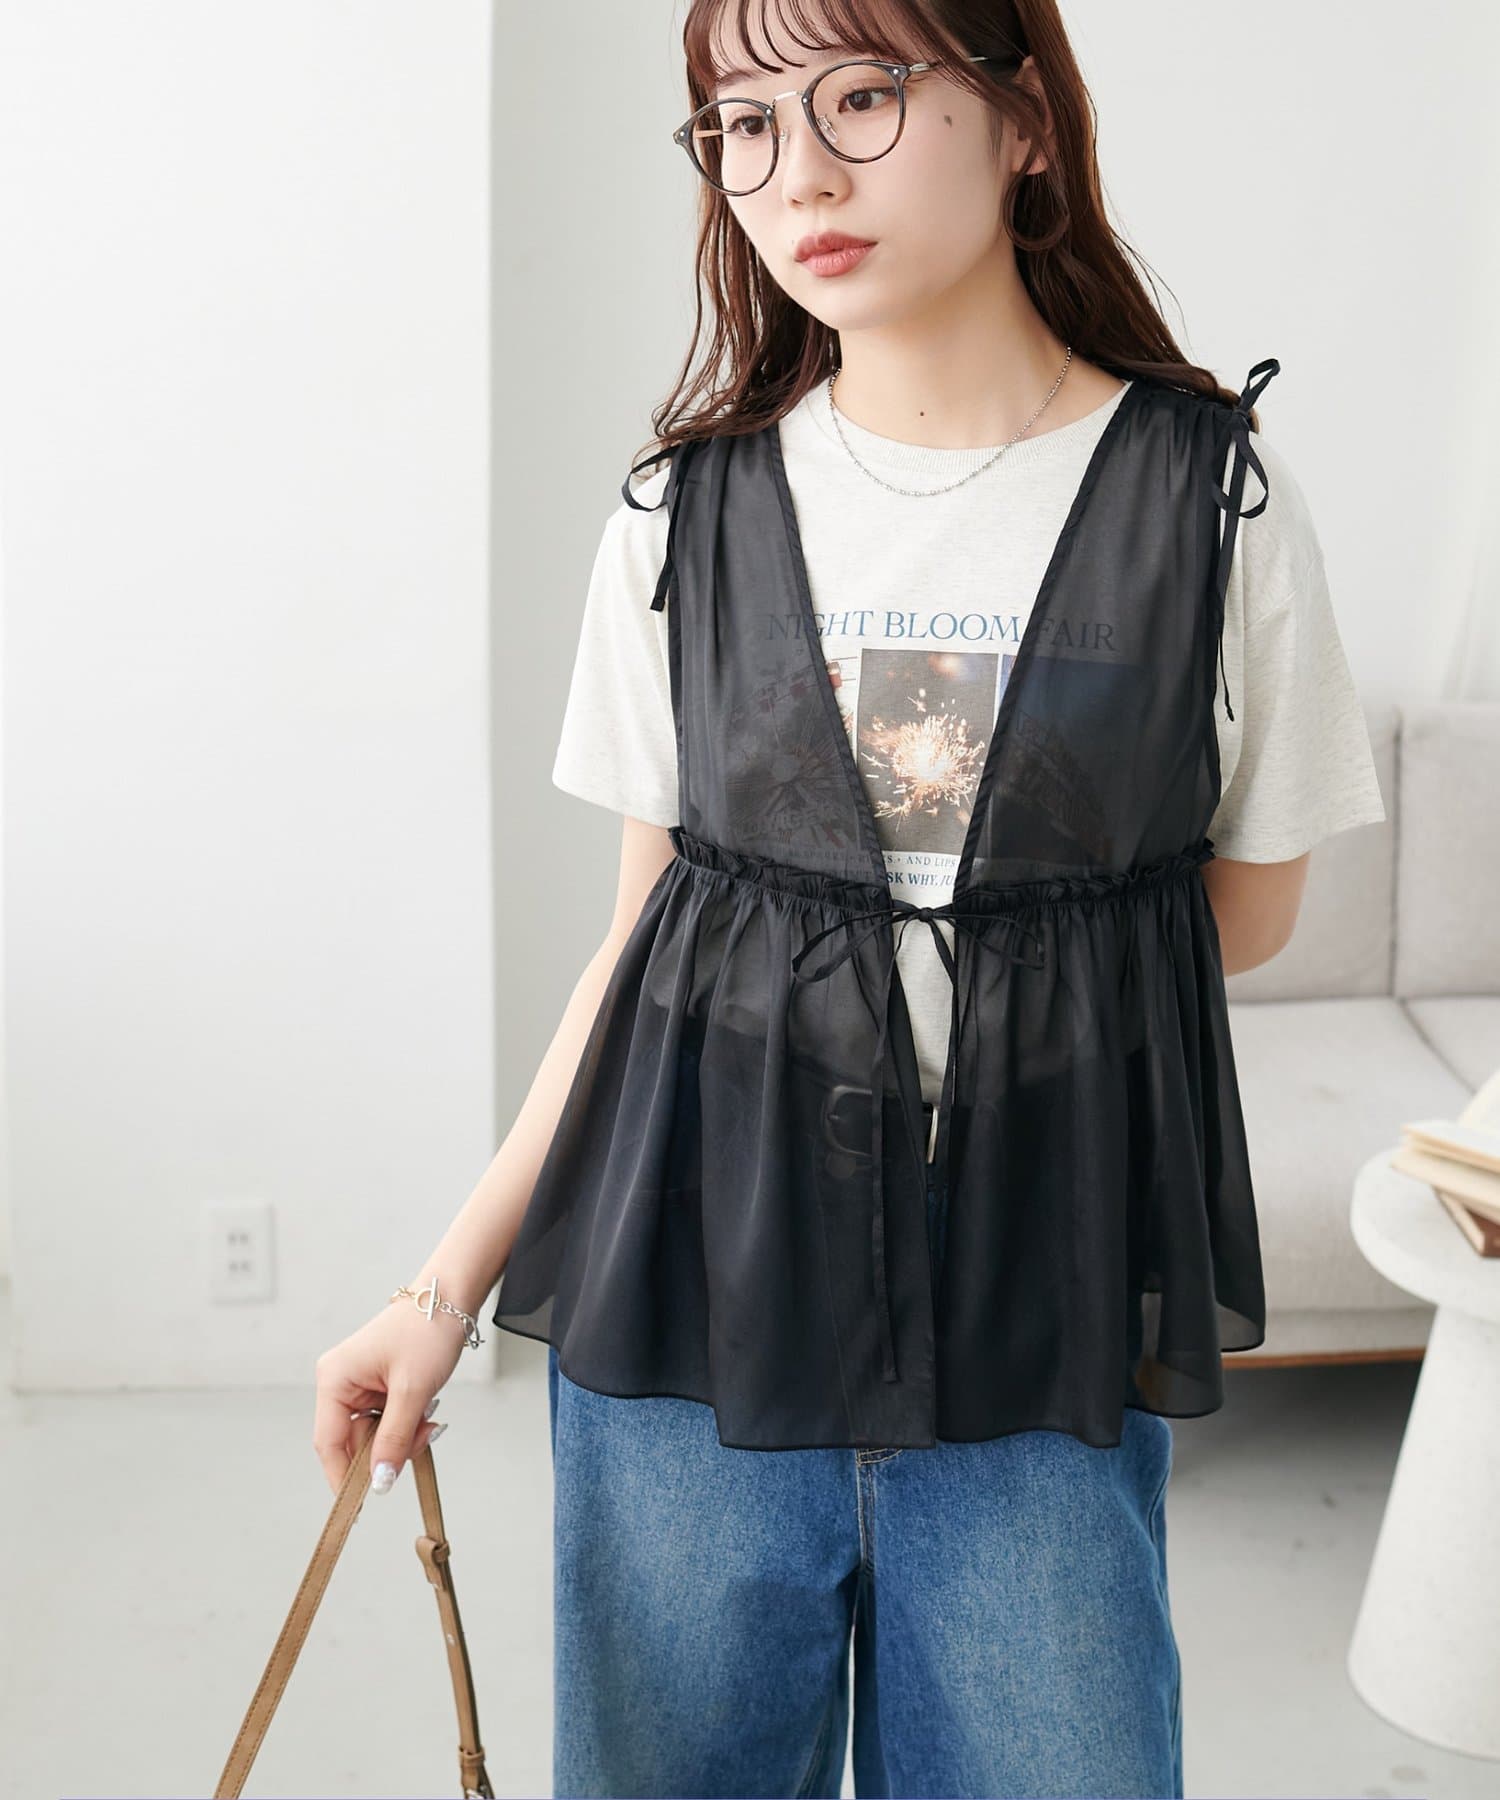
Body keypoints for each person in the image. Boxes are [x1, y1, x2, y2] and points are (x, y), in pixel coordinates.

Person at [313, 3, 1387, 1795]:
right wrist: (439, 1293)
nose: (796, 173)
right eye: (743, 124)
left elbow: (1251, 917)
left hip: (1039, 1305)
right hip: (695, 1284)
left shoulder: (1211, 501)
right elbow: (641, 954)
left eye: (862, 97)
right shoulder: (682, 514)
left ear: (1025, 121)